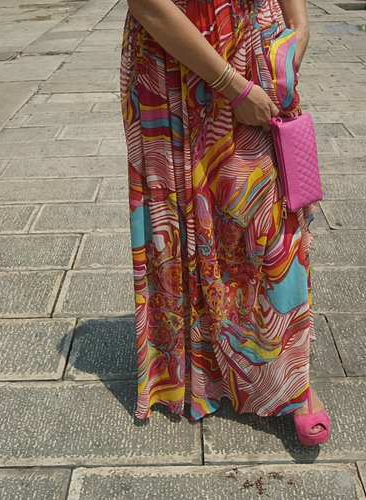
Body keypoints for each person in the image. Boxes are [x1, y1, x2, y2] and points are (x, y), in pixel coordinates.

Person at [121, 0, 330, 446]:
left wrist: (299, 25)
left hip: (255, 42)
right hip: (172, 53)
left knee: (269, 216)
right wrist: (229, 86)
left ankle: (290, 377)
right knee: (178, 219)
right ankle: (204, 366)